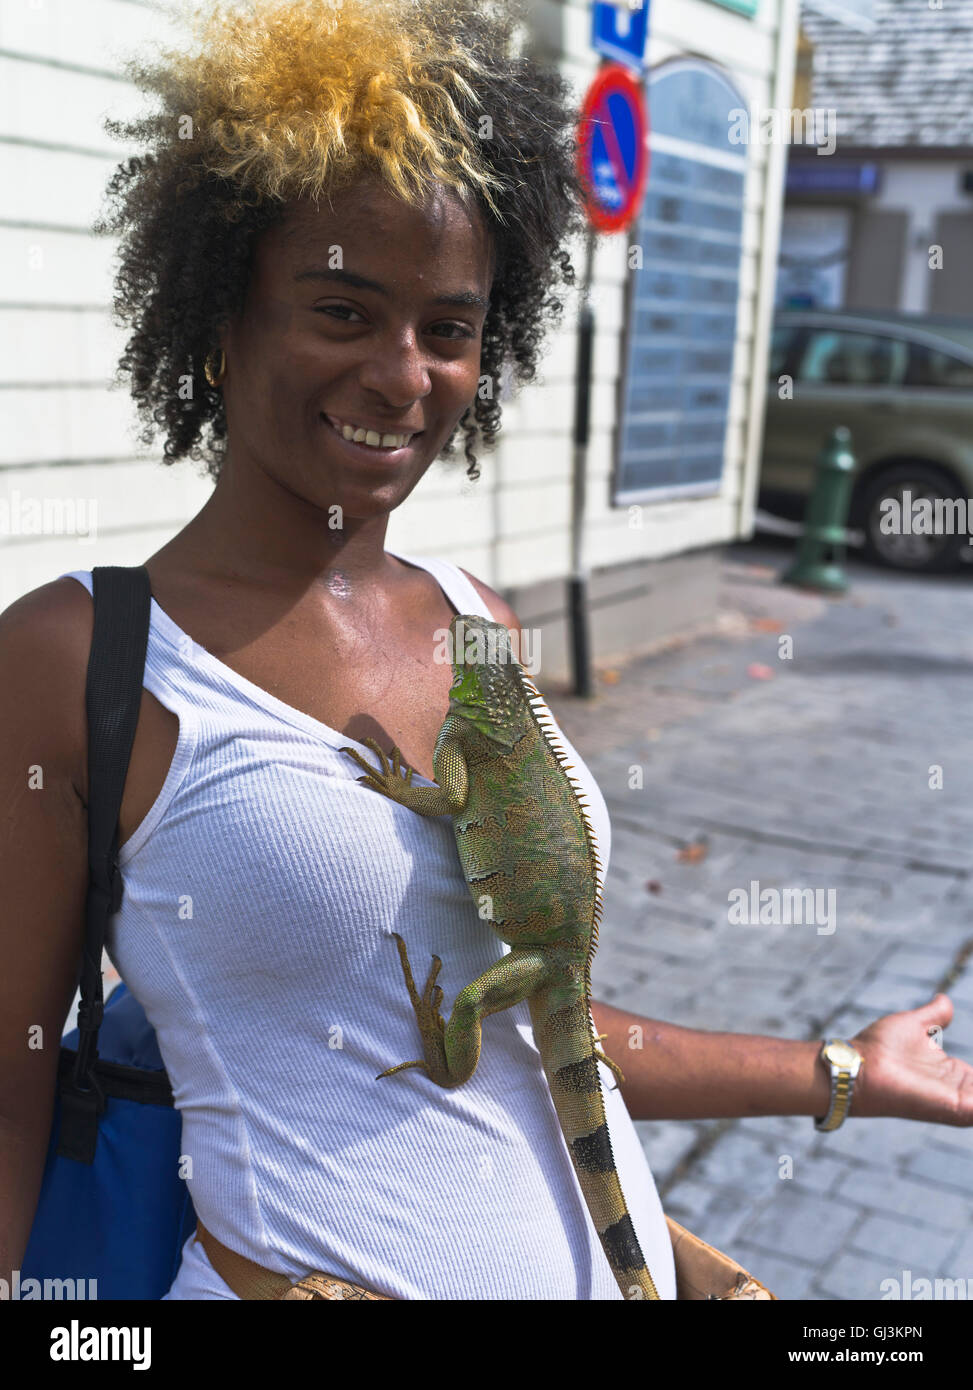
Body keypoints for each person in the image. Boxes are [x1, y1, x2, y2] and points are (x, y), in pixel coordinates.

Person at [1, 0, 969, 1302]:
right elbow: (10, 1096)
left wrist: (838, 1070)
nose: (404, 375)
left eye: (447, 328)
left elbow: (550, 1022)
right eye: (343, 310)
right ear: (220, 320)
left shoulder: (480, 619)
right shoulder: (75, 658)